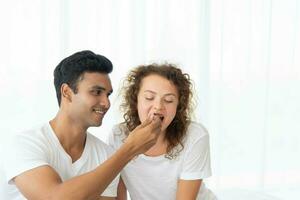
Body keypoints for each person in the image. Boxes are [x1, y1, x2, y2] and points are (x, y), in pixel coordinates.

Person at [2, 50, 162, 200]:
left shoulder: (105, 156)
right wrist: (129, 149)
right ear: (66, 92)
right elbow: (52, 197)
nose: (106, 103)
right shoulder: (25, 144)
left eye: (108, 94)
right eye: (96, 92)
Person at [109, 64, 217, 200]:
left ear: (178, 106)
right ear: (135, 100)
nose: (158, 106)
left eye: (168, 100)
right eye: (149, 97)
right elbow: (117, 194)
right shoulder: (119, 135)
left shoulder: (195, 135)